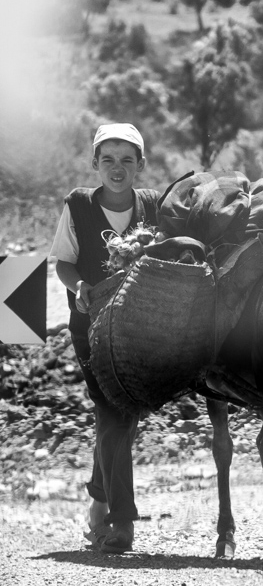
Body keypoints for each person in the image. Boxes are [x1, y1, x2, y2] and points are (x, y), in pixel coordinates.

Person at [49, 123, 160, 554]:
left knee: (125, 415)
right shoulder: (78, 205)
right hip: (91, 329)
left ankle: (98, 499)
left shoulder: (151, 207)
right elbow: (63, 262)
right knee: (113, 410)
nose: (117, 168)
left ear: (140, 166)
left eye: (126, 160)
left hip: (139, 331)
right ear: (95, 164)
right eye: (108, 159)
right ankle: (120, 521)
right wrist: (78, 287)